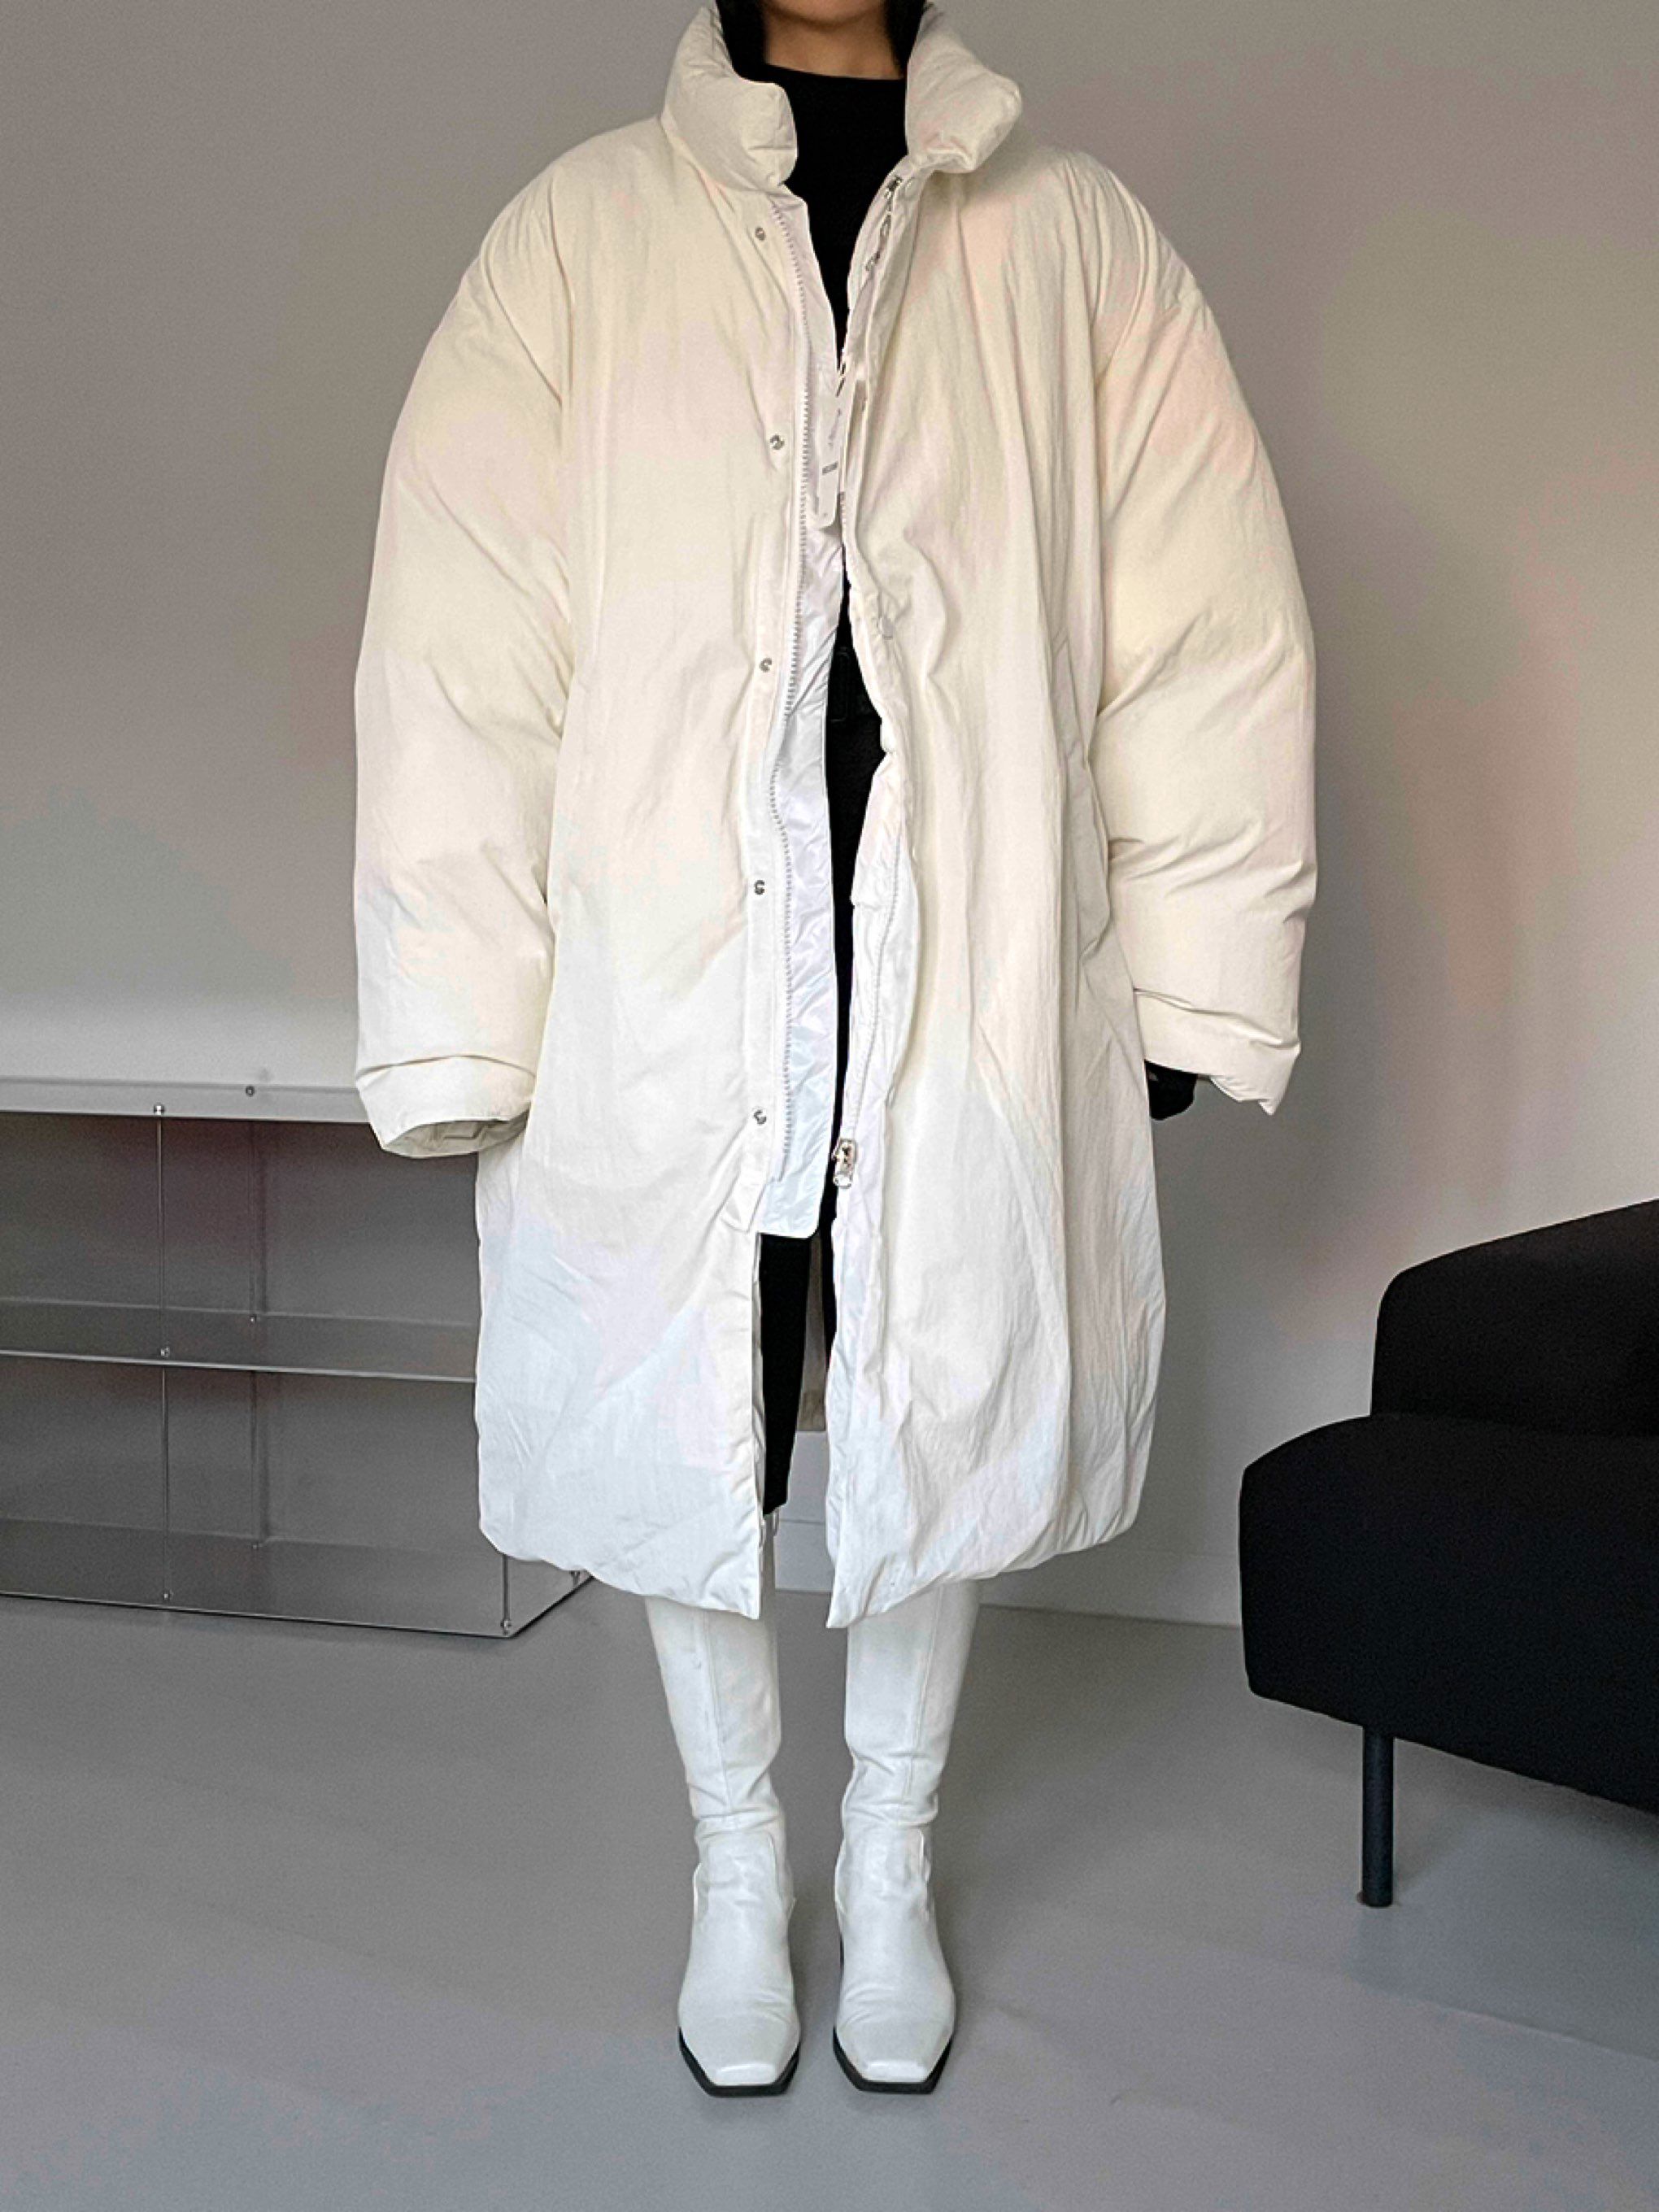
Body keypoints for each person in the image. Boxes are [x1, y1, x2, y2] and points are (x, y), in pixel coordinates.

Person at [351, 0, 1316, 2097]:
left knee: (923, 1393)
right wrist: (460, 1015)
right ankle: (732, 1856)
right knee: (688, 1410)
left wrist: (1190, 975)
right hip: (677, 968)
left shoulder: (1074, 241)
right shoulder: (578, 239)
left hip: (969, 946)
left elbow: (1201, 632)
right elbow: (462, 651)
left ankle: (888, 1856)